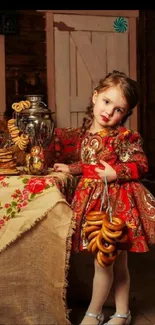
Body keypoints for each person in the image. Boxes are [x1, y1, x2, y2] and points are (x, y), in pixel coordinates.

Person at [53, 70, 155, 325]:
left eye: (119, 109)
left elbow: (141, 165)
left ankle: (94, 313)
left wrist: (117, 172)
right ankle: (122, 312)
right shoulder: (86, 135)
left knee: (106, 260)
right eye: (107, 102)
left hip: (117, 203)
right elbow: (90, 163)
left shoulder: (125, 137)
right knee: (115, 263)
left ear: (125, 114)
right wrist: (72, 168)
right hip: (93, 203)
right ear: (95, 96)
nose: (109, 112)